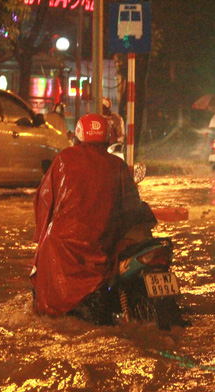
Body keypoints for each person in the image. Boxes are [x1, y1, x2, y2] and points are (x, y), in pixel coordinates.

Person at [30, 113, 156, 324]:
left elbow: (43, 203)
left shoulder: (64, 159)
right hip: (101, 256)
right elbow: (132, 209)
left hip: (62, 255)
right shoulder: (117, 166)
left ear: (79, 136)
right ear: (107, 138)